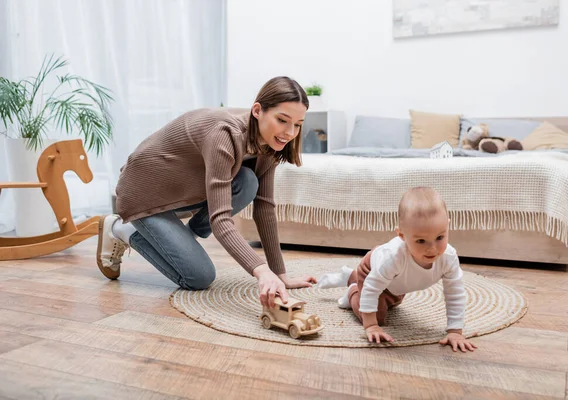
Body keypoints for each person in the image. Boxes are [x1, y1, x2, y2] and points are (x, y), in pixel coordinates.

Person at [96, 76, 316, 308]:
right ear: (257, 110)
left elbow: (264, 207)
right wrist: (261, 271)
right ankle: (120, 229)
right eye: (282, 120)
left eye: (298, 124)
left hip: (181, 188)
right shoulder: (225, 134)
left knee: (247, 182)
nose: (290, 132)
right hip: (143, 193)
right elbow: (220, 219)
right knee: (199, 277)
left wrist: (279, 274)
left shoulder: (270, 141)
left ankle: (183, 240)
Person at [318, 187, 477, 352]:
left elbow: (455, 294)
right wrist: (371, 326)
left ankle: (351, 276)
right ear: (402, 236)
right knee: (377, 315)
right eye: (421, 241)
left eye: (440, 237)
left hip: (397, 280)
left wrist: (455, 331)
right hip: (372, 269)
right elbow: (372, 289)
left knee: (394, 302)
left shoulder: (448, 257)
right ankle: (353, 288)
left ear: (448, 227)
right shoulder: (393, 258)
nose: (432, 249)